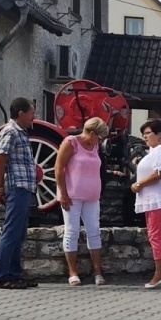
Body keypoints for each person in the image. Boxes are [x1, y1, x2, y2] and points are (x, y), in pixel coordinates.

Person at [0, 97, 40, 289]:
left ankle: (14, 275)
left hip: (25, 187)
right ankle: (1, 276)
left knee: (18, 233)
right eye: (31, 112)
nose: (34, 116)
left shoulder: (21, 133)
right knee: (10, 232)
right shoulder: (10, 132)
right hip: (16, 187)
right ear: (21, 113)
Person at [54, 117, 107, 286]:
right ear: (91, 133)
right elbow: (59, 167)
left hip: (92, 196)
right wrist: (63, 193)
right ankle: (72, 271)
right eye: (99, 137)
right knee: (72, 231)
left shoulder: (95, 145)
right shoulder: (71, 142)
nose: (100, 140)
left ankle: (98, 271)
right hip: (72, 195)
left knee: (94, 231)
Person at [132, 119, 161, 289]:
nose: (145, 137)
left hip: (158, 199)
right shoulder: (155, 151)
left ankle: (160, 274)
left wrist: (139, 184)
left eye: (148, 133)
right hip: (154, 200)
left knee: (157, 238)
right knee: (156, 237)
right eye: (143, 134)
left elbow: (159, 173)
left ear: (159, 134)